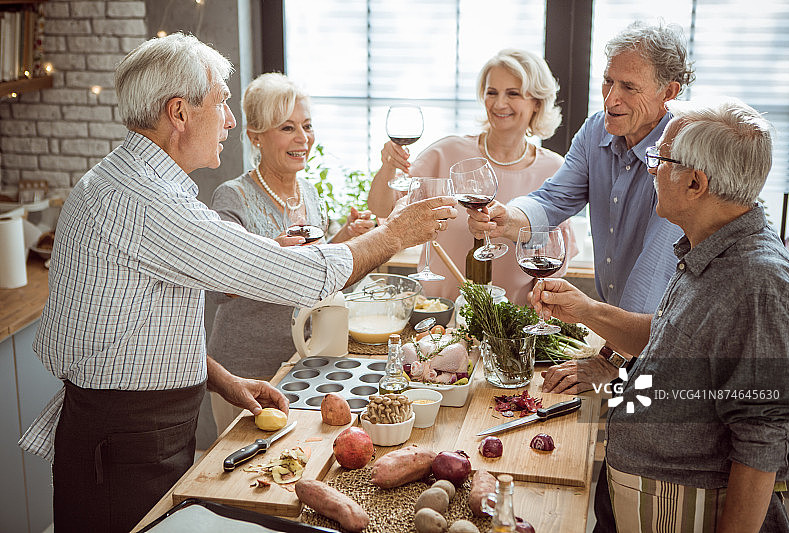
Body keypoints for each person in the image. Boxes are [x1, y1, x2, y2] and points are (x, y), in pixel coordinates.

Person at [18, 33, 456, 533]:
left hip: (131, 429)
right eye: (221, 102)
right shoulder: (149, 202)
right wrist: (395, 233)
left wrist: (219, 377)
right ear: (179, 113)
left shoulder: (128, 182)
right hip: (126, 439)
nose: (229, 120)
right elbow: (298, 275)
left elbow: (131, 323)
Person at [531, 98, 789, 532]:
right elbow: (672, 342)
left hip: (684, 508)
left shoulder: (757, 281)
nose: (650, 168)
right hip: (644, 494)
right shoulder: (709, 243)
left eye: (660, 157)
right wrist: (587, 311)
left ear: (695, 182)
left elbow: (762, 441)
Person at [465, 22, 693, 532]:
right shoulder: (597, 130)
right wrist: (508, 217)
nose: (611, 97)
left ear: (669, 92)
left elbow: (651, 284)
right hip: (622, 336)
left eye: (628, 87)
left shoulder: (679, 152)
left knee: (638, 464)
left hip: (662, 345)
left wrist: (607, 359)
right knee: (602, 457)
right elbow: (553, 198)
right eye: (608, 81)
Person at [207, 73, 375, 434]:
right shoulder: (232, 197)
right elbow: (218, 288)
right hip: (245, 369)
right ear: (256, 136)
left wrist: (348, 235)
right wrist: (272, 253)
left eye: (307, 125)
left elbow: (319, 265)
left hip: (304, 359)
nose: (303, 138)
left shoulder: (310, 193)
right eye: (287, 127)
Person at [367, 48, 577, 305]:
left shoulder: (555, 170)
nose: (499, 104)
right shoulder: (446, 152)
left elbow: (556, 258)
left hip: (511, 326)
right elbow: (382, 208)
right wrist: (389, 164)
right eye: (492, 93)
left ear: (537, 102)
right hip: (440, 320)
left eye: (513, 93)